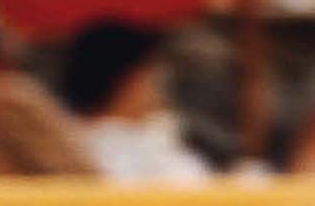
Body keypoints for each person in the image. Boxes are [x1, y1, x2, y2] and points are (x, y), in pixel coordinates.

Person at [57, 20, 215, 183]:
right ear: (129, 81)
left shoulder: (153, 134)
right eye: (150, 71)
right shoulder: (107, 149)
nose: (159, 81)